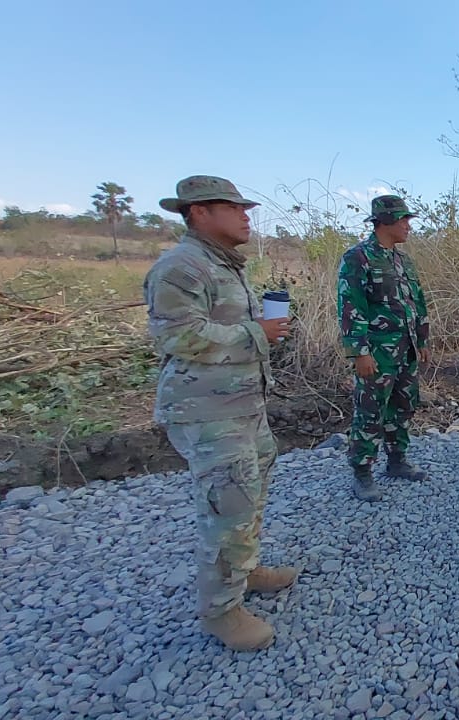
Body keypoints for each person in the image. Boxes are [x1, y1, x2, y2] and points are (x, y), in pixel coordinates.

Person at [146, 175, 298, 652]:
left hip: (241, 407)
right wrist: (257, 333)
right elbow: (178, 336)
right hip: (207, 410)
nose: (245, 215)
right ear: (199, 213)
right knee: (226, 507)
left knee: (248, 495)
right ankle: (221, 611)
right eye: (233, 208)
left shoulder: (225, 265)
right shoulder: (181, 268)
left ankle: (245, 571)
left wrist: (263, 332)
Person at [337, 195, 432, 502]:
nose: (408, 226)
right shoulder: (358, 257)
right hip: (377, 353)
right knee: (370, 411)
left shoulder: (403, 260)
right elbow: (351, 307)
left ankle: (396, 460)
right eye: (404, 220)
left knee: (404, 405)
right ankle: (362, 473)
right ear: (386, 222)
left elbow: (417, 301)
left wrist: (423, 340)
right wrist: (360, 351)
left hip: (407, 350)